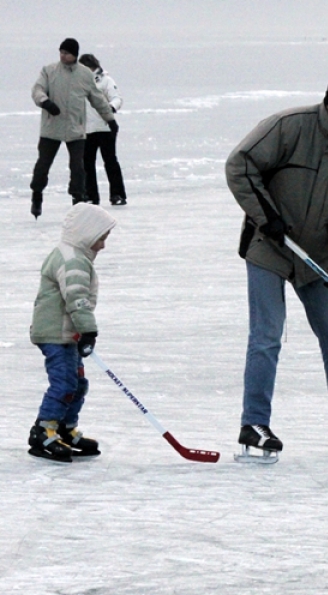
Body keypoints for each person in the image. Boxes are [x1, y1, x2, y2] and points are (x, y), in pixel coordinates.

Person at [225, 66, 328, 460]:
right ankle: (254, 424)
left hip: (316, 258)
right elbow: (240, 165)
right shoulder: (289, 127)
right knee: (267, 335)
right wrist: (267, 217)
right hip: (270, 246)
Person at [28, 203, 116, 463]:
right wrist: (88, 330)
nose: (102, 245)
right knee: (65, 383)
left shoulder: (72, 254)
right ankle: (44, 429)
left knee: (77, 383)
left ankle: (64, 427)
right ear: (86, 233)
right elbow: (76, 299)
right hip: (57, 334)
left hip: (66, 333)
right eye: (101, 238)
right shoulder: (73, 260)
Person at [29, 38, 118, 219]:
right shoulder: (49, 70)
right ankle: (37, 194)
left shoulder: (85, 74)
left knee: (78, 167)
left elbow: (97, 99)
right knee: (43, 165)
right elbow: (37, 90)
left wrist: (110, 119)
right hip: (51, 127)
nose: (63, 56)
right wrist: (45, 102)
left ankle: (77, 199)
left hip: (75, 128)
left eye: (67, 53)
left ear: (75, 55)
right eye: (61, 52)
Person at [78, 53, 127, 206]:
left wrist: (110, 109)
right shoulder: (77, 83)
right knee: (87, 164)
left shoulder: (106, 80)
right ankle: (91, 195)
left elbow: (117, 98)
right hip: (86, 129)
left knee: (110, 161)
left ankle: (117, 194)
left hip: (105, 127)